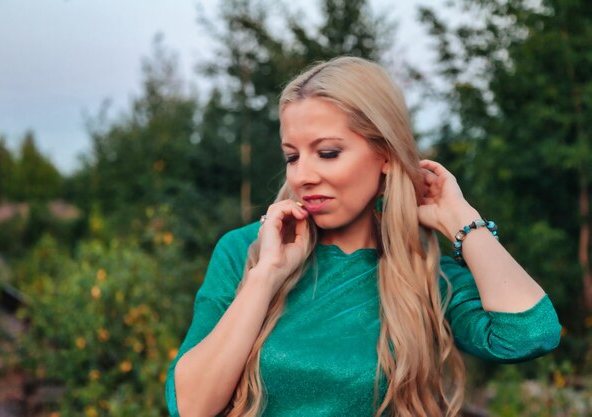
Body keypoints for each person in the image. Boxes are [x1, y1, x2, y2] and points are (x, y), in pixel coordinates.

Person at [165, 56, 561, 417]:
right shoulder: (246, 252)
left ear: (384, 154)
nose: (302, 175)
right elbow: (191, 407)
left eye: (328, 153)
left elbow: (530, 334)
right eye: (292, 156)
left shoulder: (422, 274)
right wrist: (267, 273)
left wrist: (462, 219)